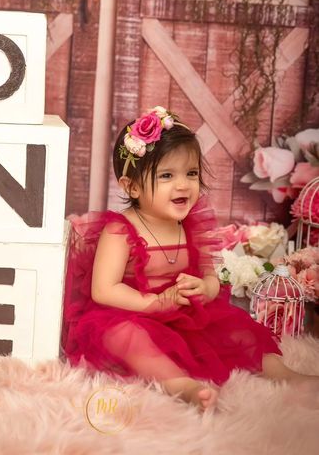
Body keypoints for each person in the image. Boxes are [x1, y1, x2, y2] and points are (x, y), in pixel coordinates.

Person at [61, 106, 318, 410]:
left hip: (184, 314)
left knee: (238, 330)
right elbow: (104, 289)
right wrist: (153, 303)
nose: (183, 184)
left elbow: (210, 275)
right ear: (132, 186)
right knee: (127, 337)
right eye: (167, 175)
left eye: (191, 173)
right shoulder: (120, 231)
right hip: (132, 312)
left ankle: (285, 374)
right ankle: (181, 385)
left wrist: (206, 288)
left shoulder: (191, 226)